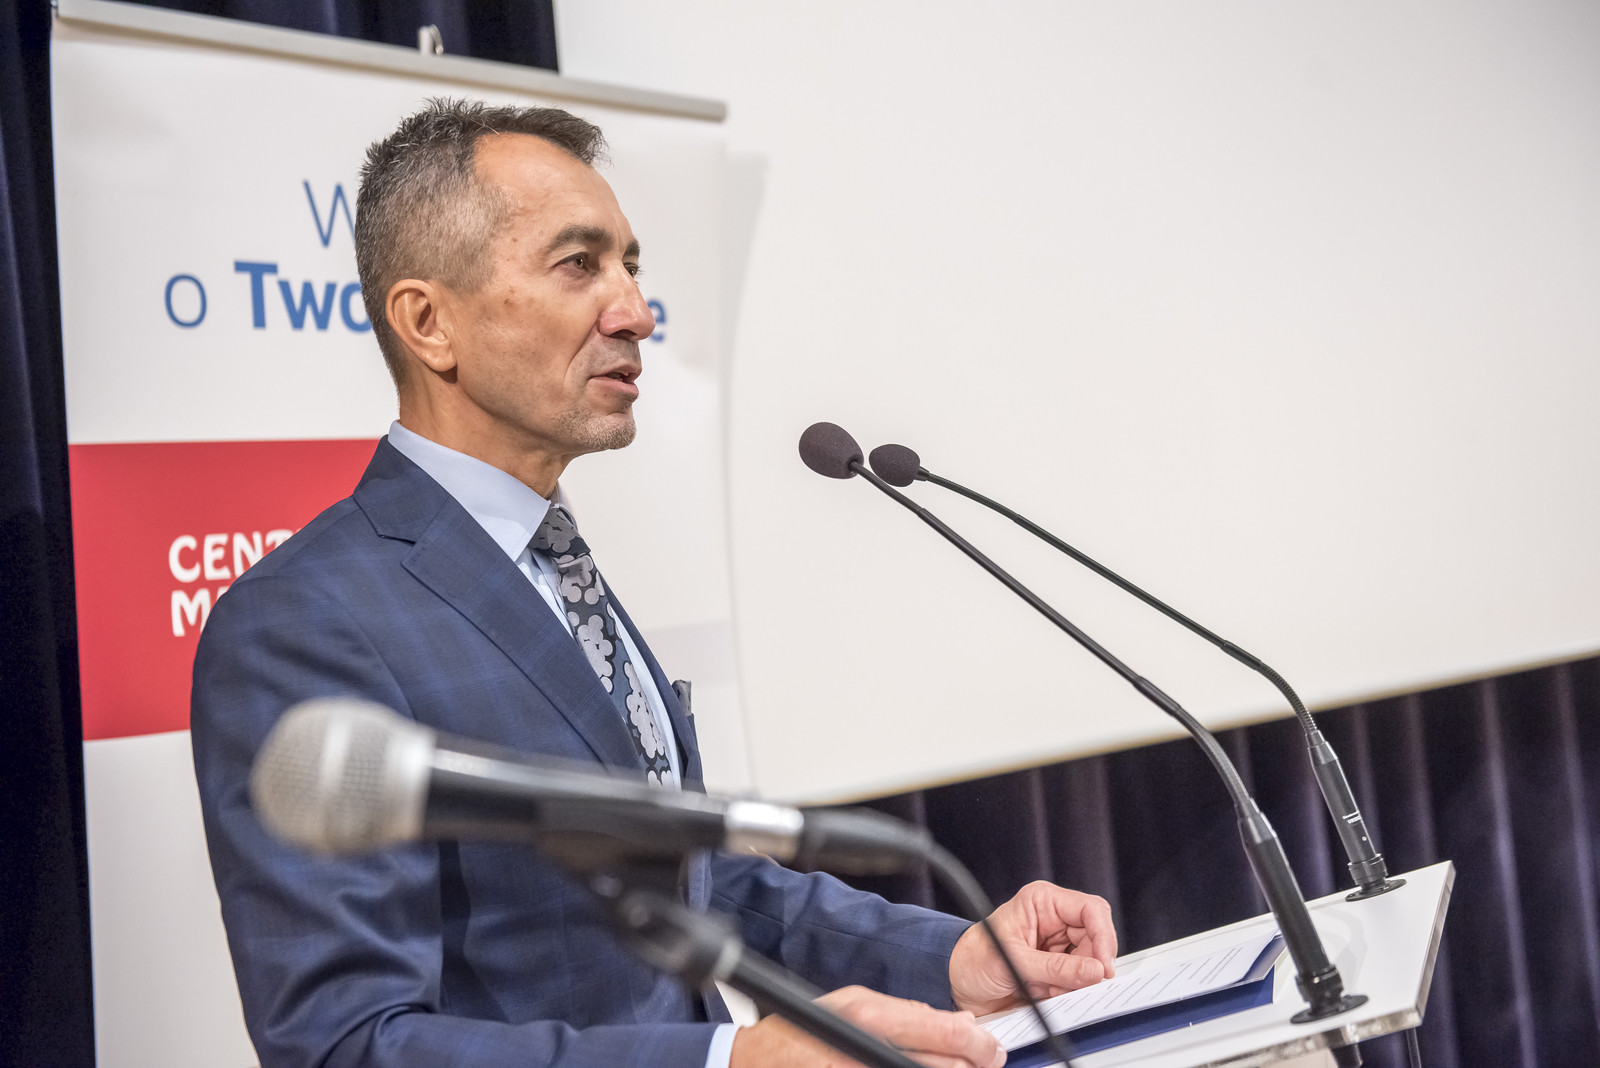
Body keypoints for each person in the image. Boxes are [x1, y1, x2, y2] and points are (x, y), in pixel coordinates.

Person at [191, 98, 1117, 1068]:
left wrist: (952, 954)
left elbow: (690, 877)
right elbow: (346, 1046)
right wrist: (727, 1063)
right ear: (429, 323)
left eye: (631, 267)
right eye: (578, 264)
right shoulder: (306, 623)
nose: (635, 310)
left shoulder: (552, 556)